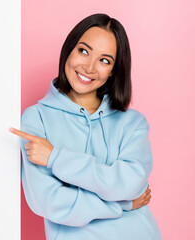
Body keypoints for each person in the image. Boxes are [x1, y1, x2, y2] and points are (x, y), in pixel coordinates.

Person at [9, 13, 162, 239]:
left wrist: (56, 158)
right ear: (68, 50)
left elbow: (129, 185)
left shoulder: (133, 123)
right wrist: (122, 205)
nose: (89, 67)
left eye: (104, 60)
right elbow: (50, 202)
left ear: (113, 71)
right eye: (83, 51)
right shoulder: (36, 118)